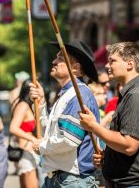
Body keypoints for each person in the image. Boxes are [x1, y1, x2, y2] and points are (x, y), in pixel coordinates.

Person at [29, 40, 100, 187]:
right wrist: (41, 103)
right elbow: (48, 132)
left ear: (76, 68)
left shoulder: (79, 95)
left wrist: (42, 146)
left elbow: (69, 140)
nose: (54, 61)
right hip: (59, 178)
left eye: (61, 58)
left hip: (72, 180)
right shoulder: (67, 94)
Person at [79, 42, 139, 187]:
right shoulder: (128, 93)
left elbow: (129, 146)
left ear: (130, 64)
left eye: (112, 61)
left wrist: (93, 126)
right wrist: (109, 156)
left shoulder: (135, 94)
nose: (107, 65)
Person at [9, 79, 39, 188]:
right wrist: (33, 139)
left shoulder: (26, 105)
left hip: (27, 151)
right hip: (25, 151)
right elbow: (13, 128)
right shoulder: (23, 106)